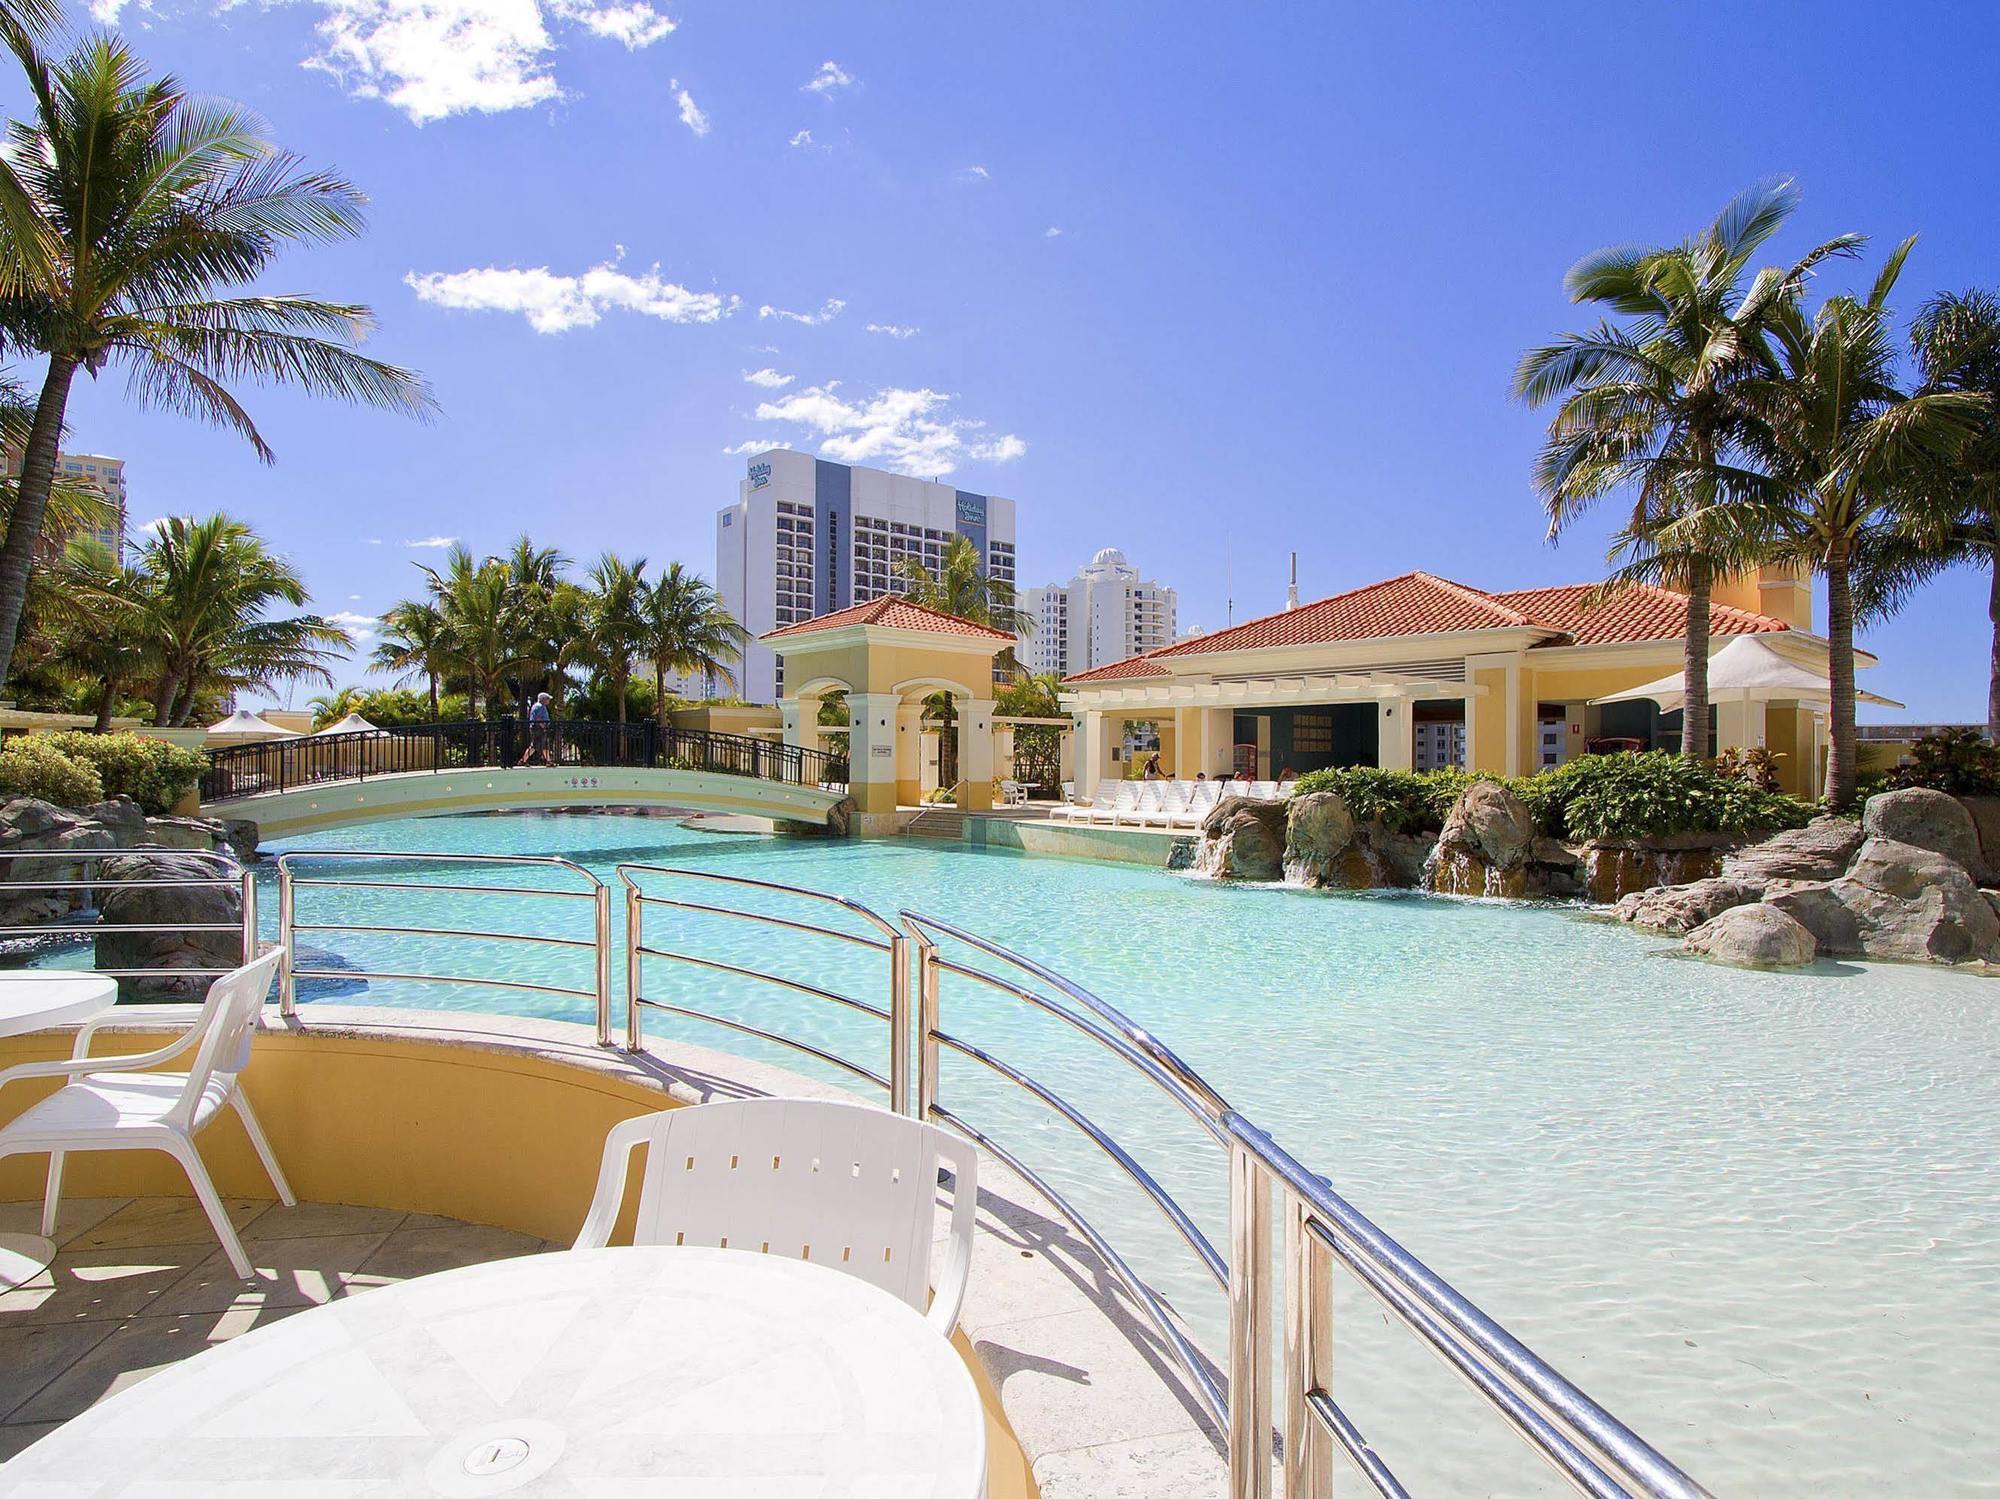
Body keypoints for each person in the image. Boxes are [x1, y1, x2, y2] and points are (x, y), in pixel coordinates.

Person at [518, 692, 555, 767]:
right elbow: (538, 718)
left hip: (536, 728)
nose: (549, 701)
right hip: (538, 728)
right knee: (536, 745)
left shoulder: (537, 706)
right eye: (548, 699)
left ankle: (548, 761)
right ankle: (523, 760)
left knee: (542, 745)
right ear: (543, 699)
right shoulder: (540, 706)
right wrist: (544, 727)